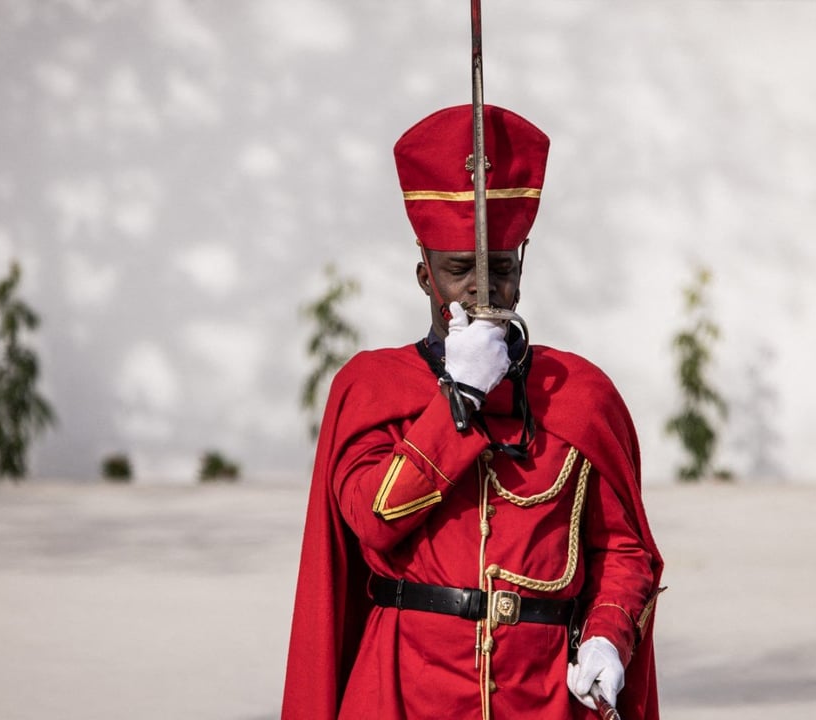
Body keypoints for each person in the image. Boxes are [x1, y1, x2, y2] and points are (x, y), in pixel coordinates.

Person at [282, 104, 664, 720]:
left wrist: (607, 636)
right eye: (459, 271)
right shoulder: (372, 386)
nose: (482, 292)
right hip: (407, 689)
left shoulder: (582, 394)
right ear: (423, 273)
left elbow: (623, 550)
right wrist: (456, 398)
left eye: (501, 271)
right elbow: (375, 521)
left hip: (540, 696)